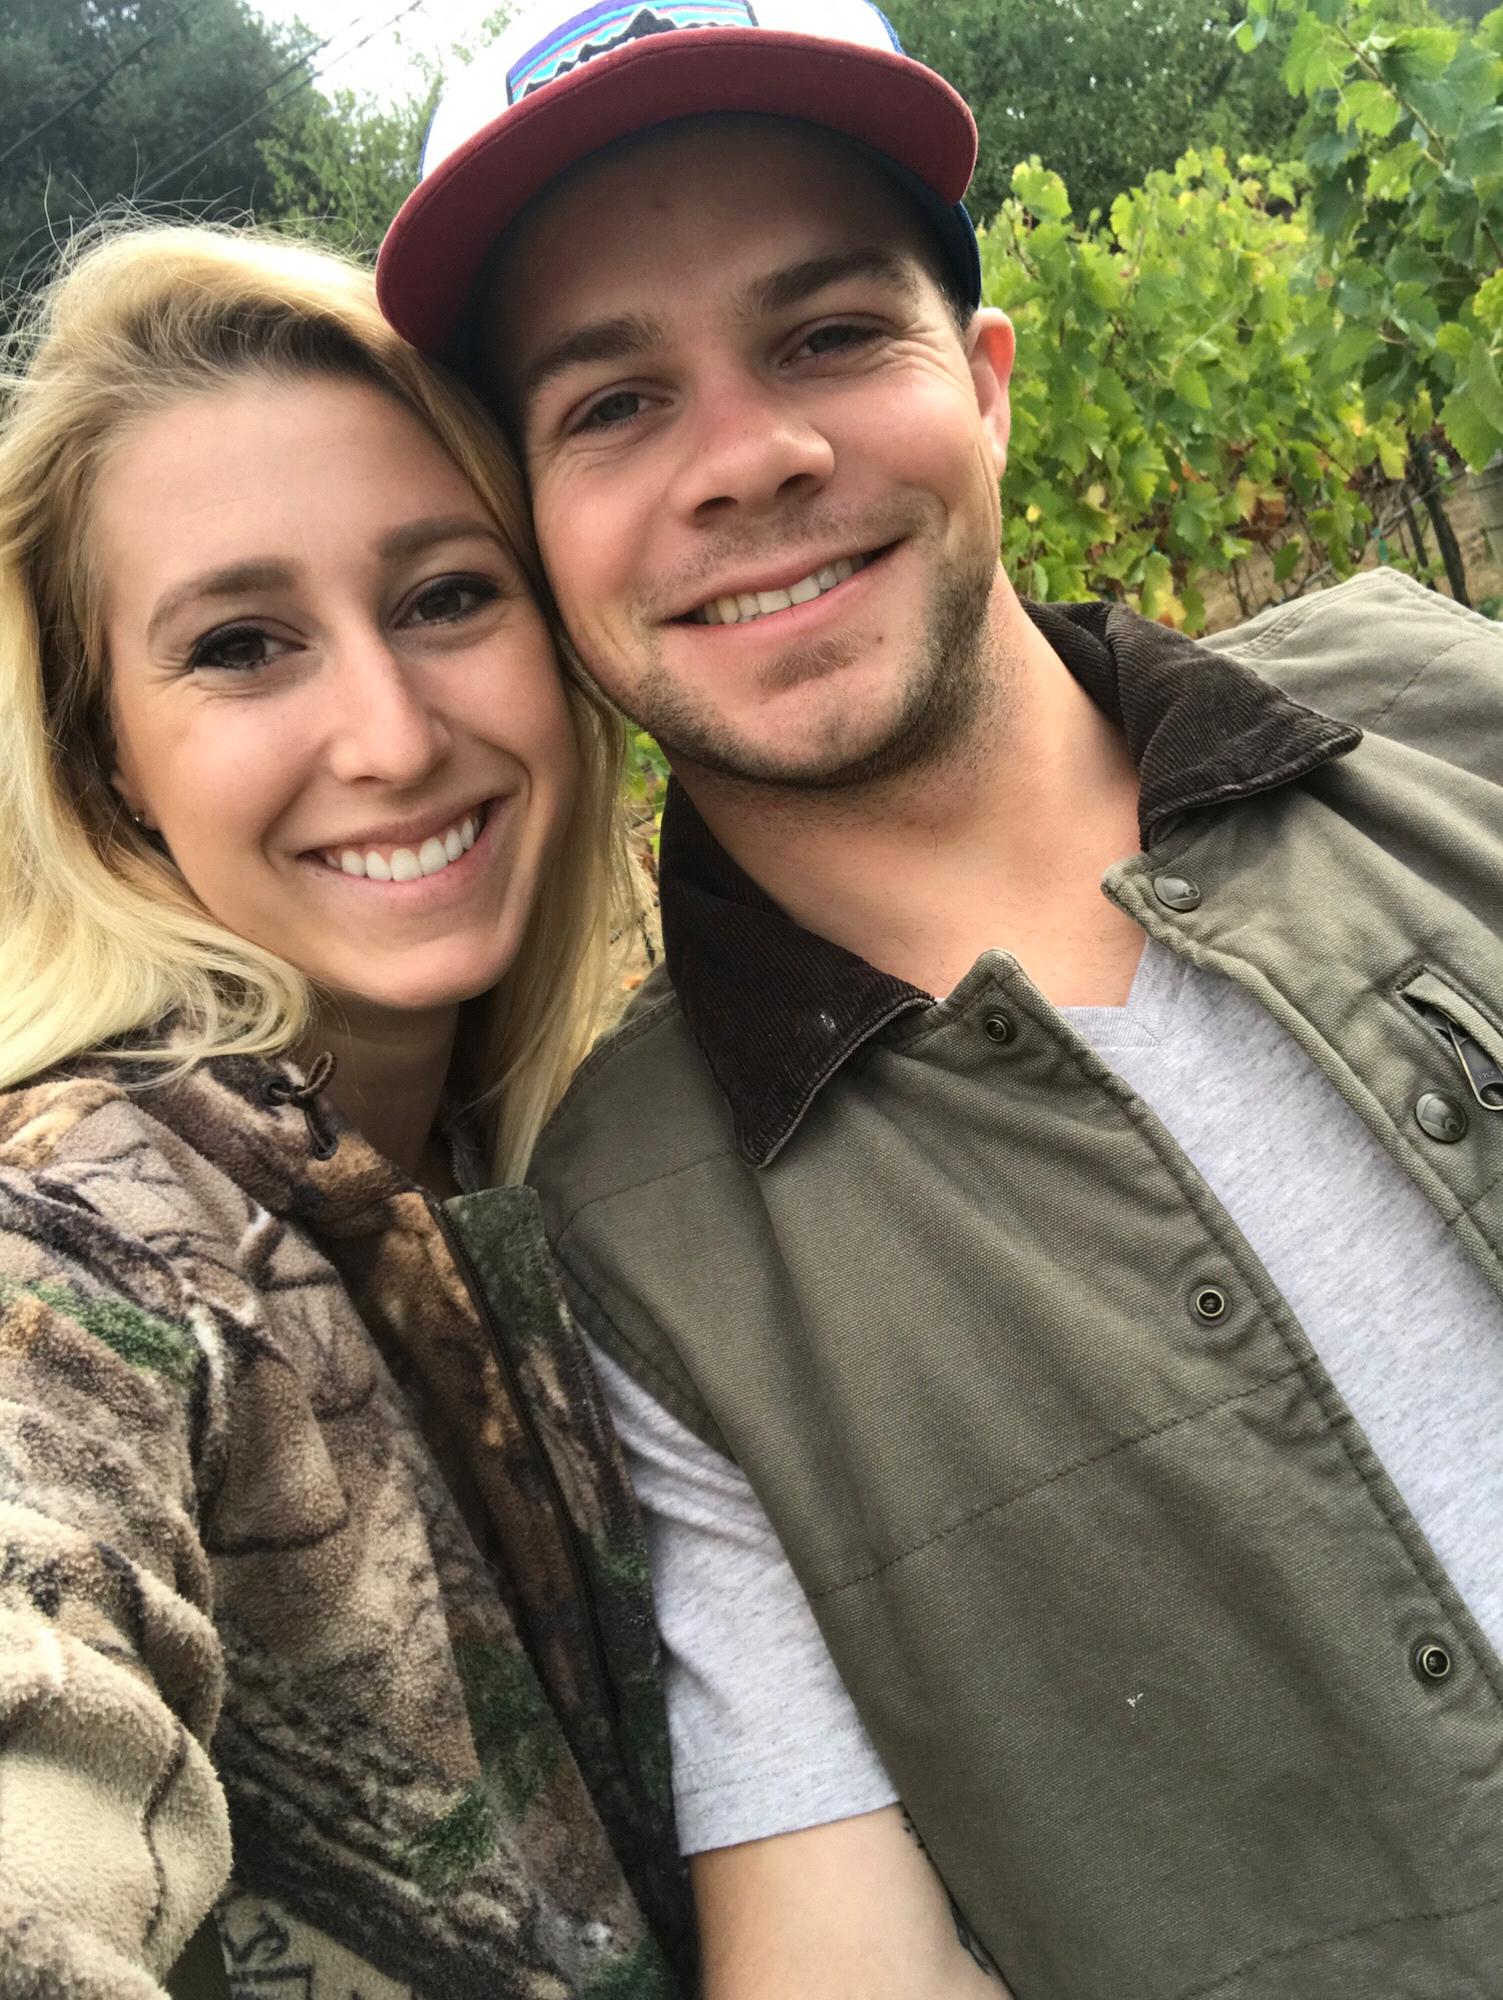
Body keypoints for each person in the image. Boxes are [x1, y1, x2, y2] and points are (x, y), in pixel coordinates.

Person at [377, 3, 1503, 1995]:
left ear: (979, 385)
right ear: (537, 542)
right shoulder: (635, 1238)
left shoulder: (1441, 713)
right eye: (611, 406)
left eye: (822, 335)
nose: (751, 457)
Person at [0, 222, 693, 2000]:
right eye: (242, 644)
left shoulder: (597, 1156)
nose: (387, 735)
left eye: (447, 594)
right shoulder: (88, 1234)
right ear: (103, 767)